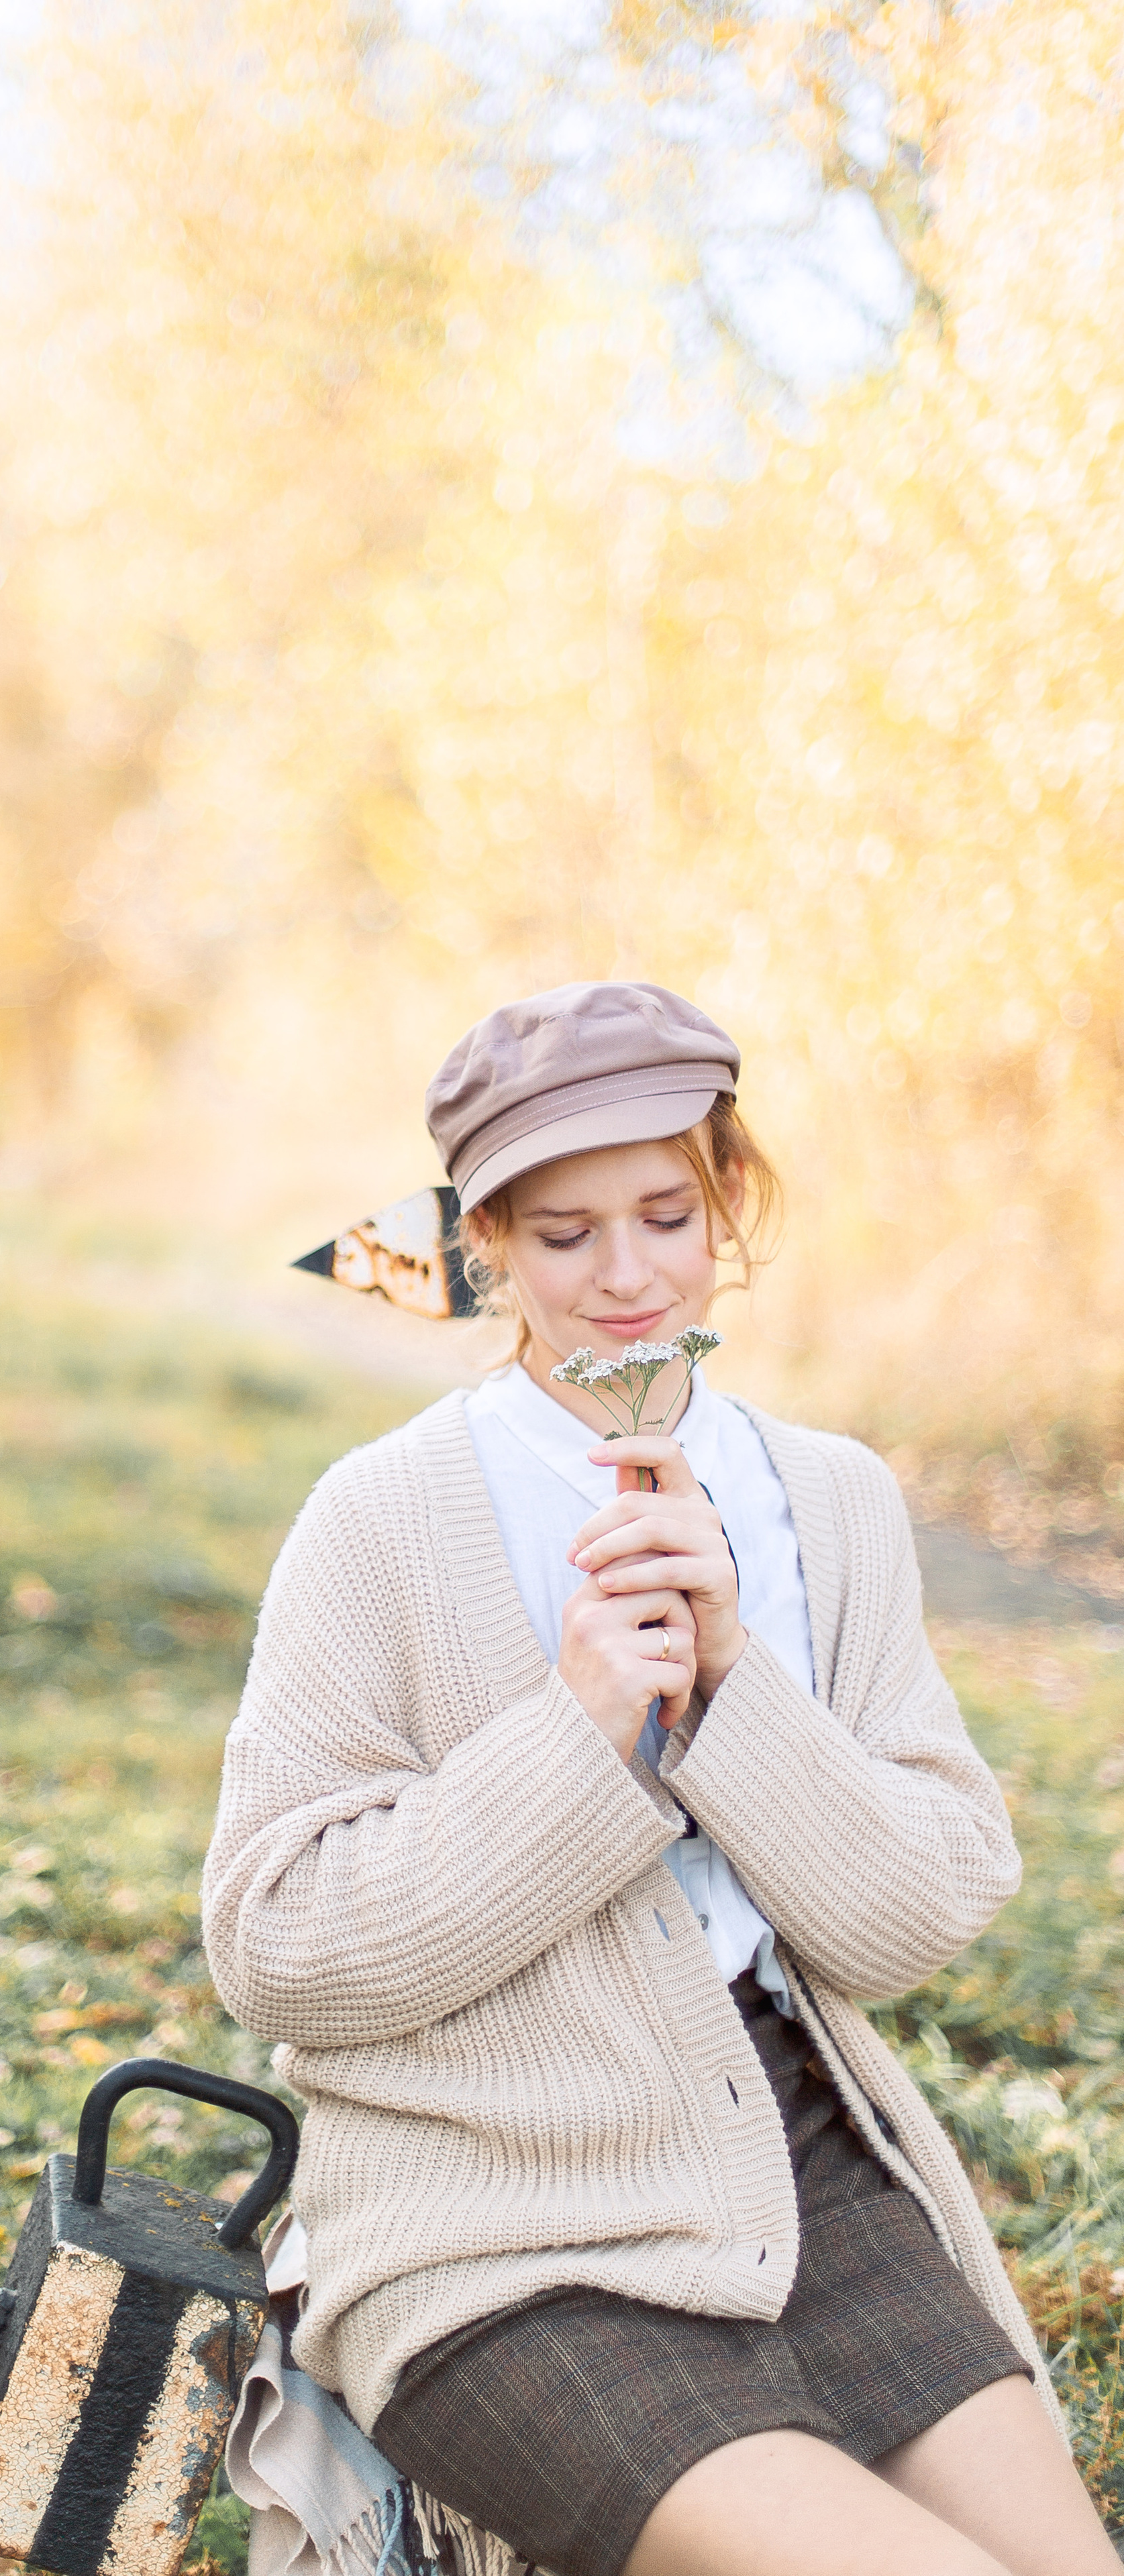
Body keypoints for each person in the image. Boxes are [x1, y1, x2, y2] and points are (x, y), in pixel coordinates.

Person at [202, 982, 1117, 2576]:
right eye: (559, 1235)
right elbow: (276, 1948)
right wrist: (575, 1732)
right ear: (482, 1239)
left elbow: (915, 1917)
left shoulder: (831, 1502)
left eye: (663, 1214)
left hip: (792, 2151)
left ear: (728, 1202)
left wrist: (729, 1687)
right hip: (485, 2201)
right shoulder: (379, 1518)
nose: (623, 1278)